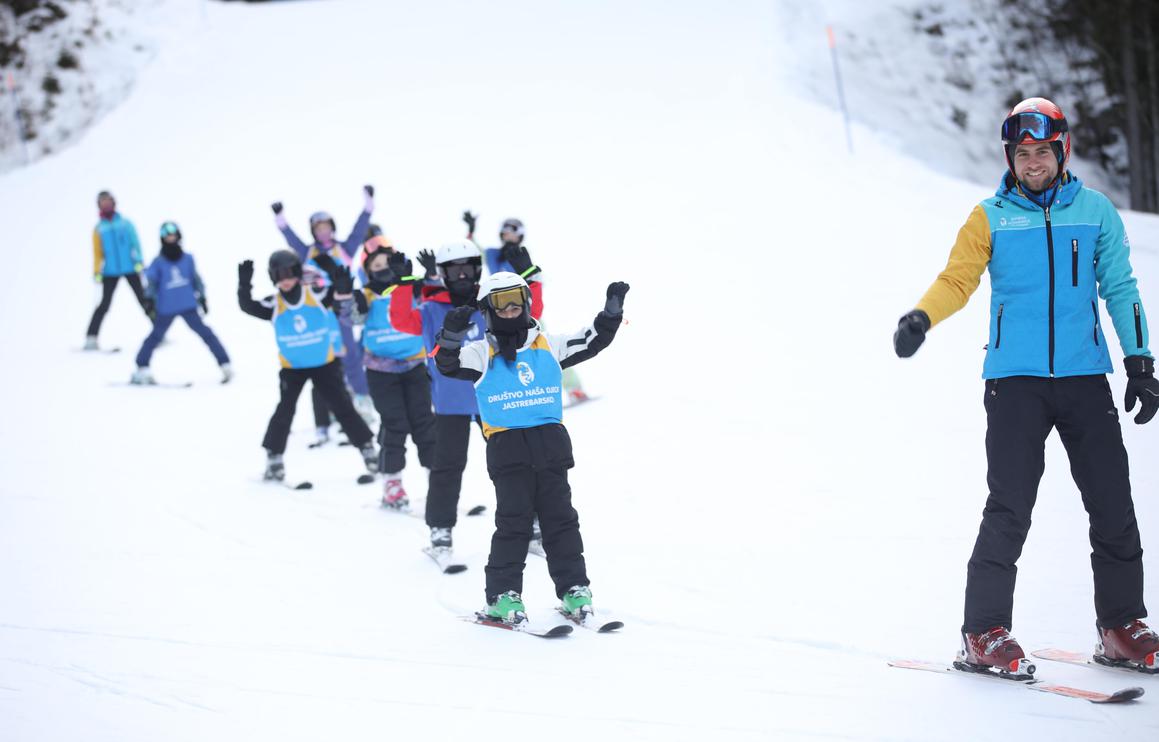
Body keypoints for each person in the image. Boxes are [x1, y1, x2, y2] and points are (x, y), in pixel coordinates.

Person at [893, 97, 1159, 675]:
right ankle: (983, 632)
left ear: (1061, 152)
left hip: (1086, 378)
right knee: (1009, 506)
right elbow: (957, 280)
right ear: (1010, 158)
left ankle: (1121, 625)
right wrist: (921, 318)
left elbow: (1121, 286)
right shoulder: (988, 216)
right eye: (1022, 153)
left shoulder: (1095, 212)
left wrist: (1139, 362)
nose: (1032, 162)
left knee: (1113, 504)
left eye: (1042, 151)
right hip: (1014, 383)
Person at [434, 272, 629, 625]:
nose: (509, 309)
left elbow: (592, 340)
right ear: (488, 310)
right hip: (508, 449)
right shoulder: (481, 352)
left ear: (526, 303)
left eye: (515, 300)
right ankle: (503, 597)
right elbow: (446, 364)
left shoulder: (548, 344)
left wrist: (611, 314)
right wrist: (450, 336)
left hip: (550, 445)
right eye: (499, 302)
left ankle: (574, 590)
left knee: (561, 520)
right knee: (514, 523)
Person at [389, 240, 543, 561]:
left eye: (468, 267)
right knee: (447, 468)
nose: (461, 275)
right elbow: (401, 321)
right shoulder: (432, 310)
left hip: (496, 399)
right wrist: (404, 285)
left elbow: (532, 312)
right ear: (443, 274)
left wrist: (530, 275)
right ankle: (440, 530)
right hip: (452, 403)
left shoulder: (491, 304)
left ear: (477, 269)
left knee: (514, 464)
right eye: (453, 269)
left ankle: (529, 522)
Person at [237, 249, 378, 483]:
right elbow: (248, 306)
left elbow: (339, 291)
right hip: (293, 368)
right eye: (279, 276)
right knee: (285, 410)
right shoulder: (274, 304)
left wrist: (332, 267)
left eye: (289, 274)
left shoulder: (316, 295)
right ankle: (274, 457)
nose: (285, 280)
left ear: (298, 273)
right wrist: (244, 284)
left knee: (343, 407)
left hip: (324, 364)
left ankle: (367, 449)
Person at [271, 186, 375, 422]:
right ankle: (331, 410)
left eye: (326, 227)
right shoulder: (307, 252)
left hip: (342, 310)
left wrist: (368, 207)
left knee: (350, 357)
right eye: (318, 228)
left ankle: (362, 401)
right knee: (325, 359)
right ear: (314, 231)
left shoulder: (345, 249)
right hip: (317, 313)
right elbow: (291, 239)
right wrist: (281, 220)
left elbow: (359, 231)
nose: (323, 232)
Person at [468, 212, 593, 406]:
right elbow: (477, 251)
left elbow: (535, 278)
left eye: (513, 231)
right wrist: (471, 231)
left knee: (547, 348)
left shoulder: (521, 255)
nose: (508, 234)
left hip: (526, 310)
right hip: (502, 311)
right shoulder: (494, 255)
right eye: (506, 230)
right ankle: (526, 394)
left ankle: (574, 388)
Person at [349, 236, 437, 508]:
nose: (382, 267)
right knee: (394, 422)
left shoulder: (410, 288)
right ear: (368, 269)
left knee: (424, 421)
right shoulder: (365, 294)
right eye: (376, 264)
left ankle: (437, 477)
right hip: (381, 369)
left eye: (387, 262)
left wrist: (431, 274)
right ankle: (392, 482)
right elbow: (352, 318)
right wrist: (350, 302)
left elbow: (435, 297)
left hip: (413, 364)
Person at [130, 222, 231, 384]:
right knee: (155, 337)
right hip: (166, 307)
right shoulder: (159, 262)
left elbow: (196, 280)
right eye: (167, 236)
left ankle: (225, 364)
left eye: (173, 235)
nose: (171, 238)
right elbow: (151, 283)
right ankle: (142, 367)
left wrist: (203, 298)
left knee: (206, 334)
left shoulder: (187, 259)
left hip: (187, 305)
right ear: (163, 239)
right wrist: (148, 300)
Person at [85, 190, 150, 349]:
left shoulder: (125, 224)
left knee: (144, 299)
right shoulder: (99, 229)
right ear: (99, 205)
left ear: (113, 202)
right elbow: (97, 253)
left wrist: (139, 261)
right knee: (104, 304)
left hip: (130, 267)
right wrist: (97, 271)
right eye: (102, 202)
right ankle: (91, 337)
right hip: (110, 271)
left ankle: (159, 331)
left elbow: (136, 244)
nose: (106, 204)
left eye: (108, 201)